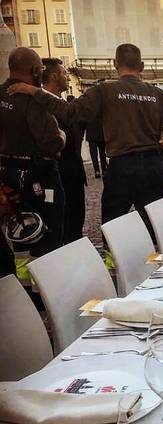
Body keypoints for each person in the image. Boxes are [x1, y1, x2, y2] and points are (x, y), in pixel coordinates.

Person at [9, 43, 163, 232]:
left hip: (122, 165)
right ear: (141, 67)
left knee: (113, 223)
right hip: (153, 164)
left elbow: (69, 112)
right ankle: (156, 256)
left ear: (115, 64)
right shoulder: (157, 94)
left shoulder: (104, 91)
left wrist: (35, 91)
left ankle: (113, 258)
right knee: (154, 222)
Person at [0, 47, 66, 272]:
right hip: (38, 174)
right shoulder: (31, 99)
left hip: (7, 174)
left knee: (18, 230)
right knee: (47, 233)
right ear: (36, 70)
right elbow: (51, 143)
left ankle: (24, 284)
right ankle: (46, 287)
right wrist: (62, 138)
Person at [41, 58, 87, 244]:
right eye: (63, 73)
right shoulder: (41, 105)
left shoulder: (64, 104)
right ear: (53, 76)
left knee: (75, 221)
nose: (67, 77)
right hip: (55, 174)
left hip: (74, 173)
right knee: (59, 225)